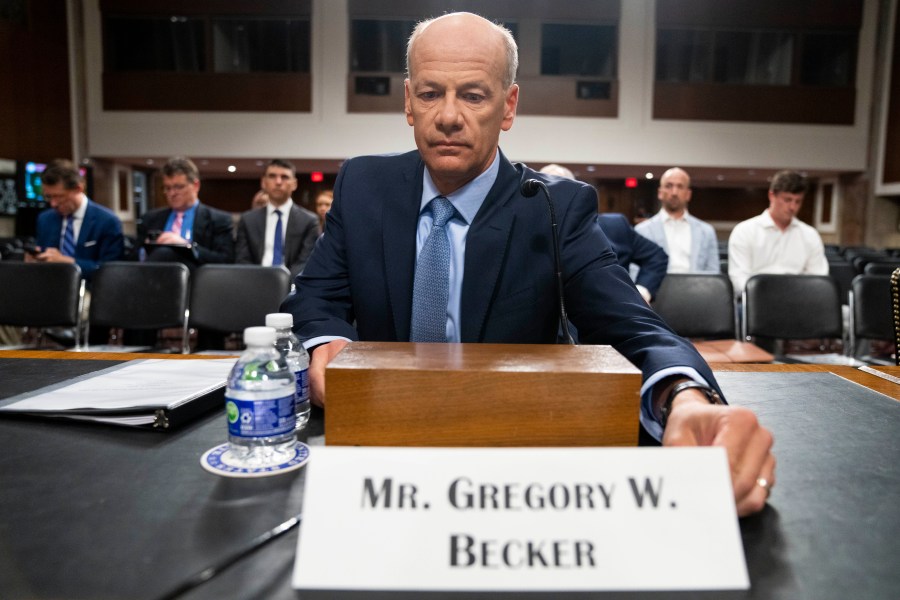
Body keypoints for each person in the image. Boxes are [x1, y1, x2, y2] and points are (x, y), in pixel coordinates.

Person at [282, 12, 774, 516]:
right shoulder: (364, 186)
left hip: (514, 464)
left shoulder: (555, 207)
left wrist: (684, 397)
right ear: (408, 101)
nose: (449, 116)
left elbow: (634, 327)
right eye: (430, 94)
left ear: (508, 105)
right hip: (379, 448)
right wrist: (327, 342)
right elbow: (316, 295)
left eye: (473, 95)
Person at [540, 164, 668, 303]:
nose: (556, 199)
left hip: (614, 313)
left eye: (562, 192)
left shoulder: (616, 226)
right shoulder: (530, 235)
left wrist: (642, 291)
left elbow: (656, 257)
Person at [728, 170, 829, 296]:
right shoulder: (745, 231)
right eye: (787, 200)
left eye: (798, 201)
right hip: (758, 300)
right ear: (772, 195)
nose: (793, 207)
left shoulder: (810, 235)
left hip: (799, 301)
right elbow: (739, 279)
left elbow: (818, 278)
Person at [30, 159, 124, 281]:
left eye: (59, 196)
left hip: (91, 291)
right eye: (48, 196)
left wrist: (68, 263)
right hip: (50, 289)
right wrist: (34, 261)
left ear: (78, 188)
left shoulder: (107, 221)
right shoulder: (45, 219)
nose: (53, 204)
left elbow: (111, 270)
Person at [136, 156, 235, 269]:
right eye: (167, 188)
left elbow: (225, 260)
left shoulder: (218, 220)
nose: (172, 193)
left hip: (198, 280)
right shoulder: (150, 218)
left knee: (165, 253)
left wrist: (186, 245)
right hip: (154, 276)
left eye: (178, 187)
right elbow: (134, 259)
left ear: (195, 186)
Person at [235, 160, 320, 278]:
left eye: (284, 177)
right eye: (272, 176)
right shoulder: (248, 220)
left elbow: (305, 262)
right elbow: (242, 259)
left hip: (292, 286)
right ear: (263, 182)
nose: (278, 182)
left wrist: (282, 282)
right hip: (254, 283)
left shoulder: (308, 221)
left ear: (294, 184)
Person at [635, 167, 720, 274]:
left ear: (688, 194)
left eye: (680, 186)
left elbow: (713, 273)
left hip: (697, 288)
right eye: (669, 186)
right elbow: (635, 271)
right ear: (660, 193)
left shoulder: (706, 231)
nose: (674, 192)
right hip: (655, 289)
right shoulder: (642, 231)